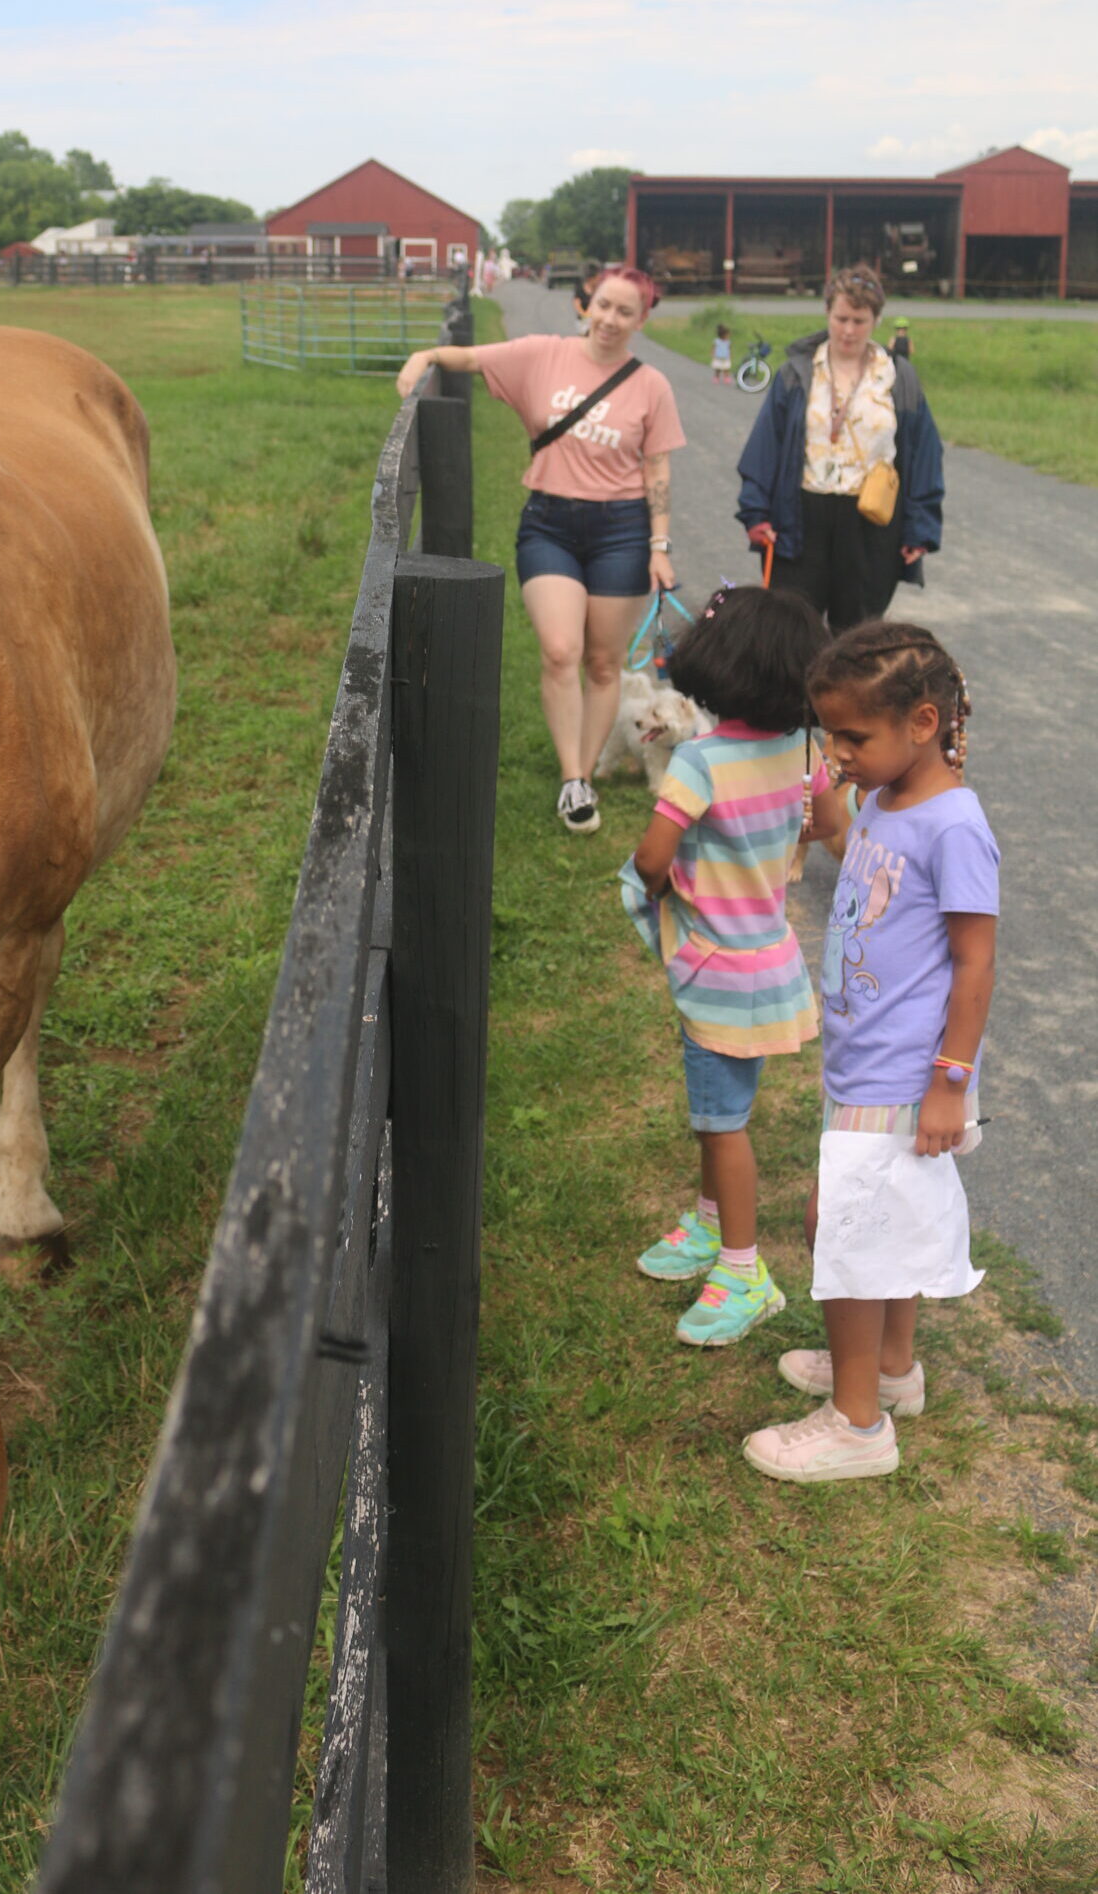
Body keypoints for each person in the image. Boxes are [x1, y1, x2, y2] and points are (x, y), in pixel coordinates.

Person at [745, 621, 998, 1482]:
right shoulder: (889, 800)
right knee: (874, 1221)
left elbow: (975, 963)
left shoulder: (954, 826)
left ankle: (856, 1424)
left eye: (854, 735)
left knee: (840, 1225)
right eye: (829, 734)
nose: (839, 751)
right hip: (862, 1058)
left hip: (904, 1070)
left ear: (923, 723)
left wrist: (949, 1082)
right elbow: (858, 859)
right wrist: (836, 797)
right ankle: (891, 1373)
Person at [621, 586, 840, 1344]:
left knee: (721, 1125)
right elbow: (834, 823)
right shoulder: (805, 750)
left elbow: (652, 855)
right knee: (726, 1109)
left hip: (714, 972)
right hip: (771, 960)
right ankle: (712, 1226)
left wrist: (656, 885)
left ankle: (745, 1273)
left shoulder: (700, 762)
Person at [394, 266, 685, 832]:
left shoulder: (652, 385)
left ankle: (582, 782)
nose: (611, 319)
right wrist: (421, 357)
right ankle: (572, 771)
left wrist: (659, 544)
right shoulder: (543, 354)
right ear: (586, 304)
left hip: (622, 529)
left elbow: (658, 467)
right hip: (550, 522)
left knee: (602, 662)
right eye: (603, 306)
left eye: (626, 312)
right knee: (559, 649)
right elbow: (471, 359)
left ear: (642, 320)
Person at [736, 265, 944, 632]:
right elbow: (765, 446)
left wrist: (919, 529)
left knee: (857, 637)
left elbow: (925, 455)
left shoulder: (899, 379)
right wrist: (755, 512)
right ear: (827, 314)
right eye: (841, 318)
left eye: (859, 321)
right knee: (793, 631)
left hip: (871, 521)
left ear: (876, 320)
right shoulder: (796, 373)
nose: (848, 330)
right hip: (801, 517)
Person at [572, 263, 601, 332]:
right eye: (597, 278)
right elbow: (576, 303)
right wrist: (585, 315)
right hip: (583, 321)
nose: (599, 280)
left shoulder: (600, 290)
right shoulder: (580, 289)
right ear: (590, 279)